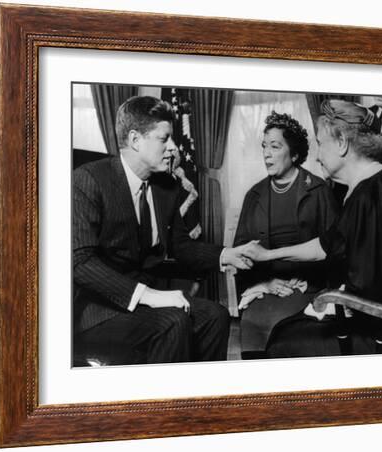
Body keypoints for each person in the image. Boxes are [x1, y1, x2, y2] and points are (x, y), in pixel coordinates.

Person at [72, 95, 254, 365]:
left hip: (144, 299)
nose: (173, 148)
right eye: (164, 138)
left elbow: (180, 245)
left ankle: (200, 401)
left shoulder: (165, 186)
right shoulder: (88, 181)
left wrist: (226, 255)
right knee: (173, 321)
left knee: (216, 315)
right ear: (135, 140)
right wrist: (149, 295)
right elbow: (80, 262)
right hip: (99, 309)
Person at [243, 99, 382, 357]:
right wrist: (268, 254)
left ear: (341, 143)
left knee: (285, 341)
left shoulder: (370, 196)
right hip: (374, 321)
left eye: (320, 144)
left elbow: (366, 287)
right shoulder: (372, 185)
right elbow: (326, 245)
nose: (316, 156)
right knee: (284, 330)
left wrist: (322, 303)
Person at [233, 111, 338, 357]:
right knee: (252, 324)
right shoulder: (254, 195)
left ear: (295, 154)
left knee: (290, 330)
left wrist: (311, 285)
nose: (266, 153)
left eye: (275, 146)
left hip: (308, 288)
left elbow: (335, 251)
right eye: (264, 146)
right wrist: (265, 284)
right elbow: (241, 252)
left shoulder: (320, 191)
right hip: (267, 287)